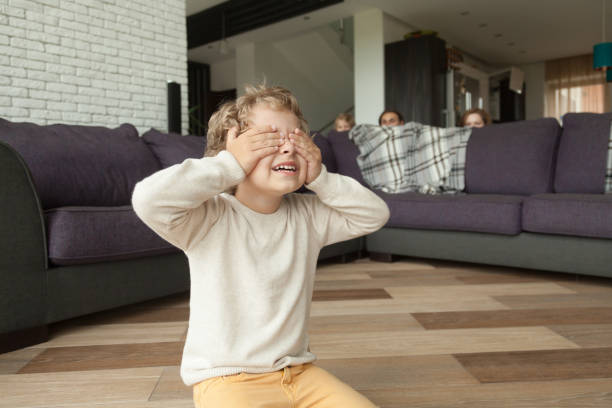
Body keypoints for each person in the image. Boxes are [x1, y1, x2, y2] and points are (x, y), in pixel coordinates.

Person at [132, 84, 389, 408]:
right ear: (232, 149)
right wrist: (229, 164)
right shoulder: (207, 219)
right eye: (268, 140)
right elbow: (147, 199)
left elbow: (374, 215)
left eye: (296, 139)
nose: (288, 149)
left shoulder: (307, 217)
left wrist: (320, 177)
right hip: (226, 380)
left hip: (300, 373)